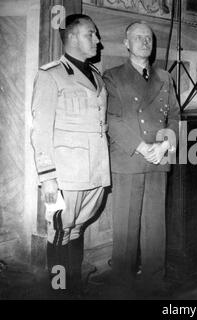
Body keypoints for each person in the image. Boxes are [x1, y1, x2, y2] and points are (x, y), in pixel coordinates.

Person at [30, 14, 110, 295]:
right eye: (92, 34)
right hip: (64, 175)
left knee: (76, 230)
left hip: (95, 172)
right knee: (60, 232)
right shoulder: (50, 74)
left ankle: (73, 288)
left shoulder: (97, 76)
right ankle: (58, 291)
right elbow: (40, 130)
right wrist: (47, 177)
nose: (98, 41)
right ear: (73, 36)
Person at [103, 22, 179, 294]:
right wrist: (140, 145)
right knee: (126, 228)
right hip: (129, 159)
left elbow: (175, 118)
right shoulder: (112, 76)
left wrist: (164, 145)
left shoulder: (165, 77)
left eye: (148, 38)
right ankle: (122, 285)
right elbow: (110, 118)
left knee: (155, 227)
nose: (144, 42)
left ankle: (154, 281)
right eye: (138, 37)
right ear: (126, 43)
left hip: (158, 159)